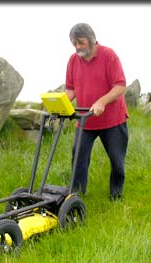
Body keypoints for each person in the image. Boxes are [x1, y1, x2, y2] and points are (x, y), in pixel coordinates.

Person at [65, 23, 129, 201]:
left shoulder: (108, 55)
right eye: (74, 43)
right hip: (86, 120)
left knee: (117, 162)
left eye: (81, 42)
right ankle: (76, 197)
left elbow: (120, 86)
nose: (77, 47)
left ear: (92, 40)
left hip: (112, 120)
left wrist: (102, 101)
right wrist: (59, 103)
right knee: (78, 159)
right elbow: (71, 89)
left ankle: (116, 196)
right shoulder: (73, 60)